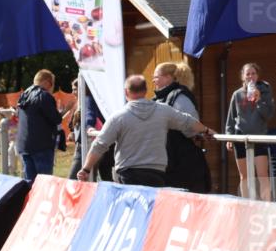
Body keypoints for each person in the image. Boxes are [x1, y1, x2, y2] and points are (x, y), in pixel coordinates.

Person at [77, 75, 216, 186]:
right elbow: (188, 121)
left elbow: (100, 145)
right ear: (145, 91)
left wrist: (86, 169)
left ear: (126, 92)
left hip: (127, 173)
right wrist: (206, 130)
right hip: (156, 172)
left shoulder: (118, 117)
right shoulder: (164, 111)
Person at [152, 62, 211, 193]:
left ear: (168, 77)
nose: (153, 80)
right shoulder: (159, 98)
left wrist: (200, 132)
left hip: (179, 159)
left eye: (156, 76)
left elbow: (190, 124)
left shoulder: (180, 97)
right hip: (169, 158)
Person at [225, 62, 275, 200]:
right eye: (248, 74)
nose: (251, 76)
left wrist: (259, 100)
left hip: (259, 137)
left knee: (262, 175)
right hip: (241, 137)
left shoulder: (265, 90)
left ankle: (267, 204)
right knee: (245, 176)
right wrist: (229, 136)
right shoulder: (237, 94)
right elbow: (231, 117)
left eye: (253, 73)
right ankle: (247, 204)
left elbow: (268, 115)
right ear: (243, 77)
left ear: (258, 75)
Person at [15, 70, 63, 182]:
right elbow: (56, 119)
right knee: (44, 183)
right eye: (52, 84)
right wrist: (63, 110)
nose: (52, 88)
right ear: (47, 82)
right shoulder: (44, 96)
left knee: (30, 183)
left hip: (25, 145)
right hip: (42, 146)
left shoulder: (23, 95)